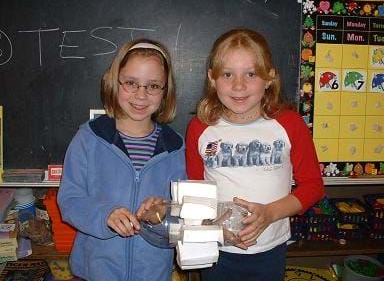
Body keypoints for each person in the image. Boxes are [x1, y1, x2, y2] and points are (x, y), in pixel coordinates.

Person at [185, 29, 325, 281]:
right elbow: (196, 191)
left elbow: (313, 186)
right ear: (212, 78)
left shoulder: (289, 124)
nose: (239, 85)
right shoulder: (200, 128)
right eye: (227, 74)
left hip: (270, 249)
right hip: (218, 249)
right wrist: (208, 227)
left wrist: (269, 214)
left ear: (269, 77)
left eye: (250, 74)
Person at [57, 39, 186, 281]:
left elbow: (183, 212)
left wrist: (163, 212)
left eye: (153, 86)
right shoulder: (89, 138)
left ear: (165, 91)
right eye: (131, 83)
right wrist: (105, 214)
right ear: (114, 82)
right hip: (96, 272)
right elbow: (70, 201)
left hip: (153, 273)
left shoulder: (175, 148)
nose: (141, 95)